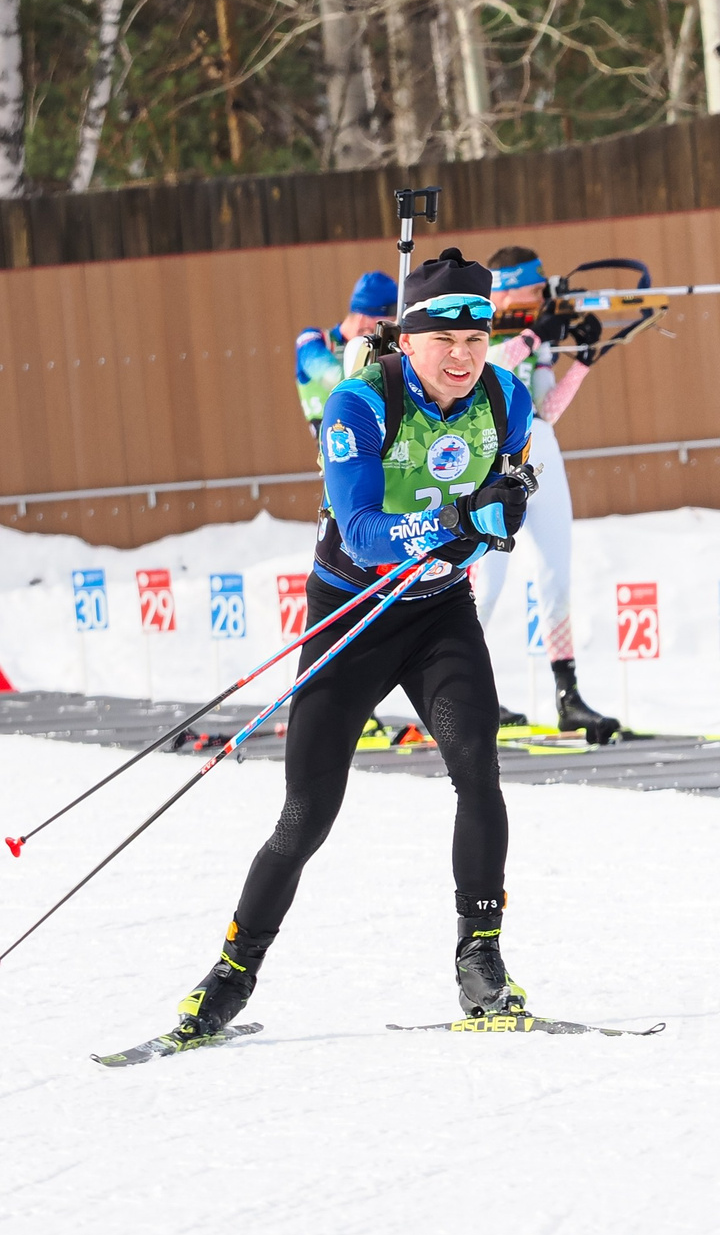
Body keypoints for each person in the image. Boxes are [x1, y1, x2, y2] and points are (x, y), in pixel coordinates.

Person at [172, 247, 539, 1037]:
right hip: (352, 612)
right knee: (307, 814)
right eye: (444, 339)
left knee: (478, 766)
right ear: (407, 340)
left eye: (476, 340)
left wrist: (500, 512)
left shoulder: (509, 398)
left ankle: (481, 960)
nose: (462, 356)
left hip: (439, 613)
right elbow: (366, 531)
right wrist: (454, 521)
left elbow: (504, 508)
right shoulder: (359, 405)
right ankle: (232, 971)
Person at [476, 246, 618, 739]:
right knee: (486, 586)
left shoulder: (533, 333)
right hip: (492, 453)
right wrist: (538, 333)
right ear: (509, 288)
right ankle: (467, 691)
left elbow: (546, 408)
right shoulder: (481, 323)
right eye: (535, 289)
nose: (542, 296)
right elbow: (486, 369)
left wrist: (582, 362)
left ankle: (567, 693)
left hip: (541, 446)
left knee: (557, 573)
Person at [293, 270, 396, 438]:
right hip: (336, 443)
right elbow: (339, 381)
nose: (389, 327)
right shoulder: (315, 341)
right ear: (363, 318)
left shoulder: (385, 345)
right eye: (386, 321)